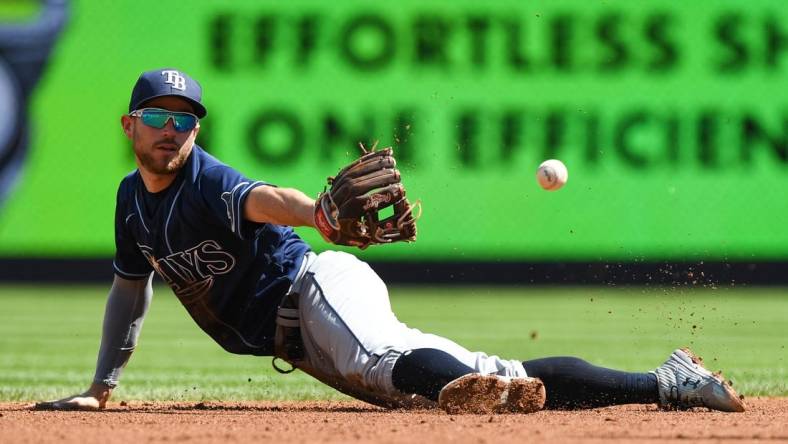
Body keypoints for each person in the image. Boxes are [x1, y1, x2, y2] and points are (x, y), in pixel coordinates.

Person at [36, 68, 745, 414]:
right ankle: (668, 382)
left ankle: (463, 387)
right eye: (158, 115)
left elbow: (265, 200)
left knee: (388, 360)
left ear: (197, 131)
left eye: (185, 119)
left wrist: (318, 212)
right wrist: (102, 389)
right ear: (130, 126)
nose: (173, 129)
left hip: (317, 290)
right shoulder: (131, 204)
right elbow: (130, 292)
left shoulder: (207, 180)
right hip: (302, 345)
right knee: (499, 380)